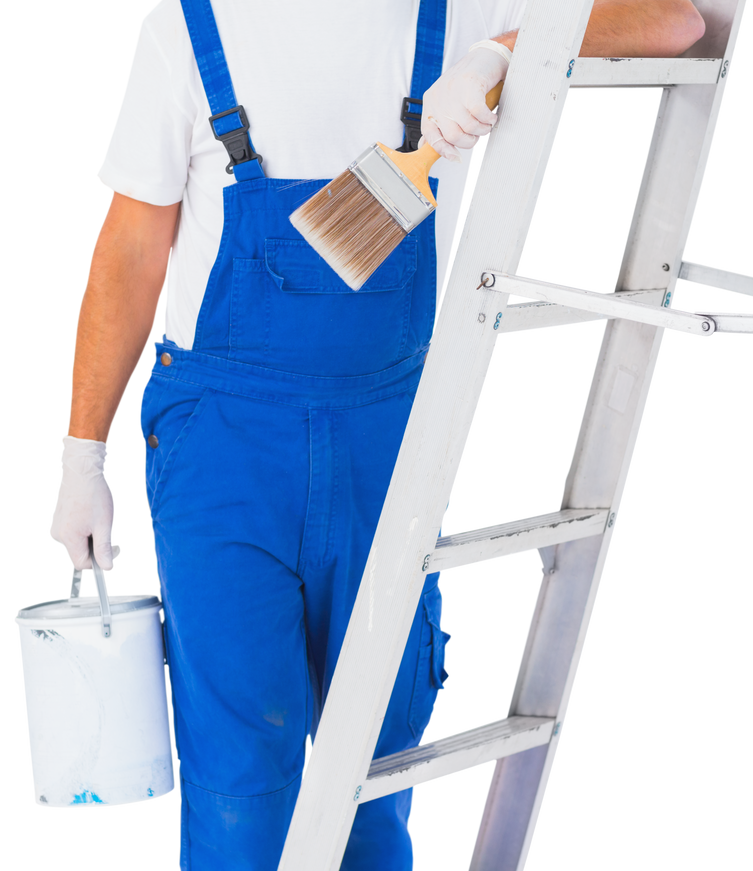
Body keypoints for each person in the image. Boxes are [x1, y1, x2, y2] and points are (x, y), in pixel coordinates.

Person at [47, 1, 705, 868]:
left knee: (377, 775)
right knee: (243, 788)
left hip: (390, 439)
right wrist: (81, 453)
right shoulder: (186, 27)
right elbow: (131, 250)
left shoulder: (455, 10)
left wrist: (500, 54)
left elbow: (676, 23)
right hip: (224, 449)